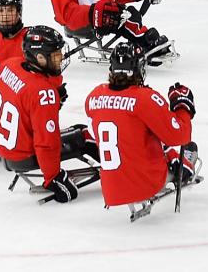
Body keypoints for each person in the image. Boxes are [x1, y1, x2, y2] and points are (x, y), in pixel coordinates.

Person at [85, 43, 198, 208]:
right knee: (184, 144)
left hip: (111, 189)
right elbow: (179, 136)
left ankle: (171, 157)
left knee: (137, 133)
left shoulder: (94, 96)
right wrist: (183, 108)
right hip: (146, 185)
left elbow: (97, 135)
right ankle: (183, 167)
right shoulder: (145, 99)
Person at [0, 26, 89, 204]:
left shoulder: (9, 65)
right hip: (23, 156)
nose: (61, 58)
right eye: (56, 54)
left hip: (3, 148)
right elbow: (46, 143)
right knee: (85, 135)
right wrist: (53, 177)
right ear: (40, 58)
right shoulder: (43, 93)